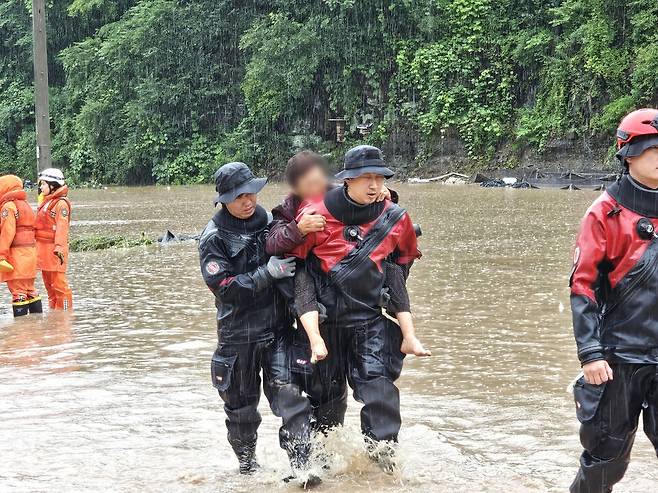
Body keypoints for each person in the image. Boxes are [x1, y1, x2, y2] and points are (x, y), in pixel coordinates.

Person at [287, 145, 421, 470]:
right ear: (347, 180)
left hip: (369, 323)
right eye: (365, 178)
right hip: (327, 325)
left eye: (379, 178)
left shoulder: (396, 218)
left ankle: (383, 466)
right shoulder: (315, 214)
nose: (373, 185)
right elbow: (298, 266)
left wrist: (385, 291)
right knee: (327, 407)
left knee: (381, 395)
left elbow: (403, 259)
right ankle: (322, 468)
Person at [198, 162, 318, 486]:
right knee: (241, 412)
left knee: (291, 397)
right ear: (224, 199)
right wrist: (268, 273)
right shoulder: (213, 238)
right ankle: (248, 470)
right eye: (240, 197)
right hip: (237, 337)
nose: (248, 200)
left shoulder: (269, 221)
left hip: (278, 330)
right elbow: (224, 288)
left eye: (252, 193)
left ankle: (303, 469)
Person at [569, 108, 658, 492]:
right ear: (629, 154)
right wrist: (590, 353)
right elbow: (582, 286)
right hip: (618, 357)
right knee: (605, 460)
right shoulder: (604, 212)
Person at [0, 175, 41, 317]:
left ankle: (20, 332)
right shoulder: (26, 205)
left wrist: (1, 256)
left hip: (17, 256)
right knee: (30, 290)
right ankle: (38, 324)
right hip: (30, 255)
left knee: (18, 292)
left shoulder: (8, 207)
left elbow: (7, 233)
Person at [35, 168, 73, 310]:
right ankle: (54, 316)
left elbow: (62, 229)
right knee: (49, 287)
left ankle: (64, 315)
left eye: (43, 184)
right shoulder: (45, 202)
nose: (41, 187)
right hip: (43, 250)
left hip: (55, 251)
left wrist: (59, 248)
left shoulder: (61, 204)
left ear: (53, 185)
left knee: (59, 286)